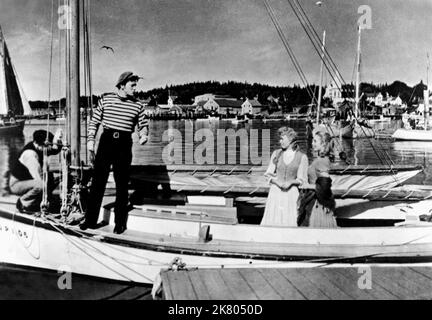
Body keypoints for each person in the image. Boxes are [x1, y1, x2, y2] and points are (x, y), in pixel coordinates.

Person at [80, 71, 149, 234]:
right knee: (98, 182)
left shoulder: (138, 105)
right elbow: (94, 121)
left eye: (135, 85)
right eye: (132, 85)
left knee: (122, 184)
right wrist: (90, 140)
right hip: (106, 142)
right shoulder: (106, 99)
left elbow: (143, 124)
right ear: (122, 85)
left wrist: (143, 134)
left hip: (124, 144)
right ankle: (90, 220)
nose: (135, 88)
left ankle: (120, 223)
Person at [260, 127, 308, 227]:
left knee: (290, 222)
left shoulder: (302, 157)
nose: (280, 141)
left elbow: (301, 179)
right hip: (275, 192)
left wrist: (291, 182)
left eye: (282, 138)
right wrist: (277, 182)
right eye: (280, 138)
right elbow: (268, 174)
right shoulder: (276, 154)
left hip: (291, 194)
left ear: (290, 140)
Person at [8, 130, 62, 213]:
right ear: (41, 144)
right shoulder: (30, 155)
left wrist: (58, 141)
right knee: (42, 185)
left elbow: (54, 150)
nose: (49, 148)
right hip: (17, 184)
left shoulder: (38, 146)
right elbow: (38, 179)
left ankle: (41, 199)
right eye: (48, 146)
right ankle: (23, 202)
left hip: (28, 181)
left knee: (54, 178)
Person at [298, 131, 337, 228]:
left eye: (315, 141)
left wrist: (307, 185)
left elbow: (325, 185)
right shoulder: (319, 159)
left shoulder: (322, 161)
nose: (312, 143)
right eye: (312, 141)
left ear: (323, 144)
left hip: (317, 202)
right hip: (313, 199)